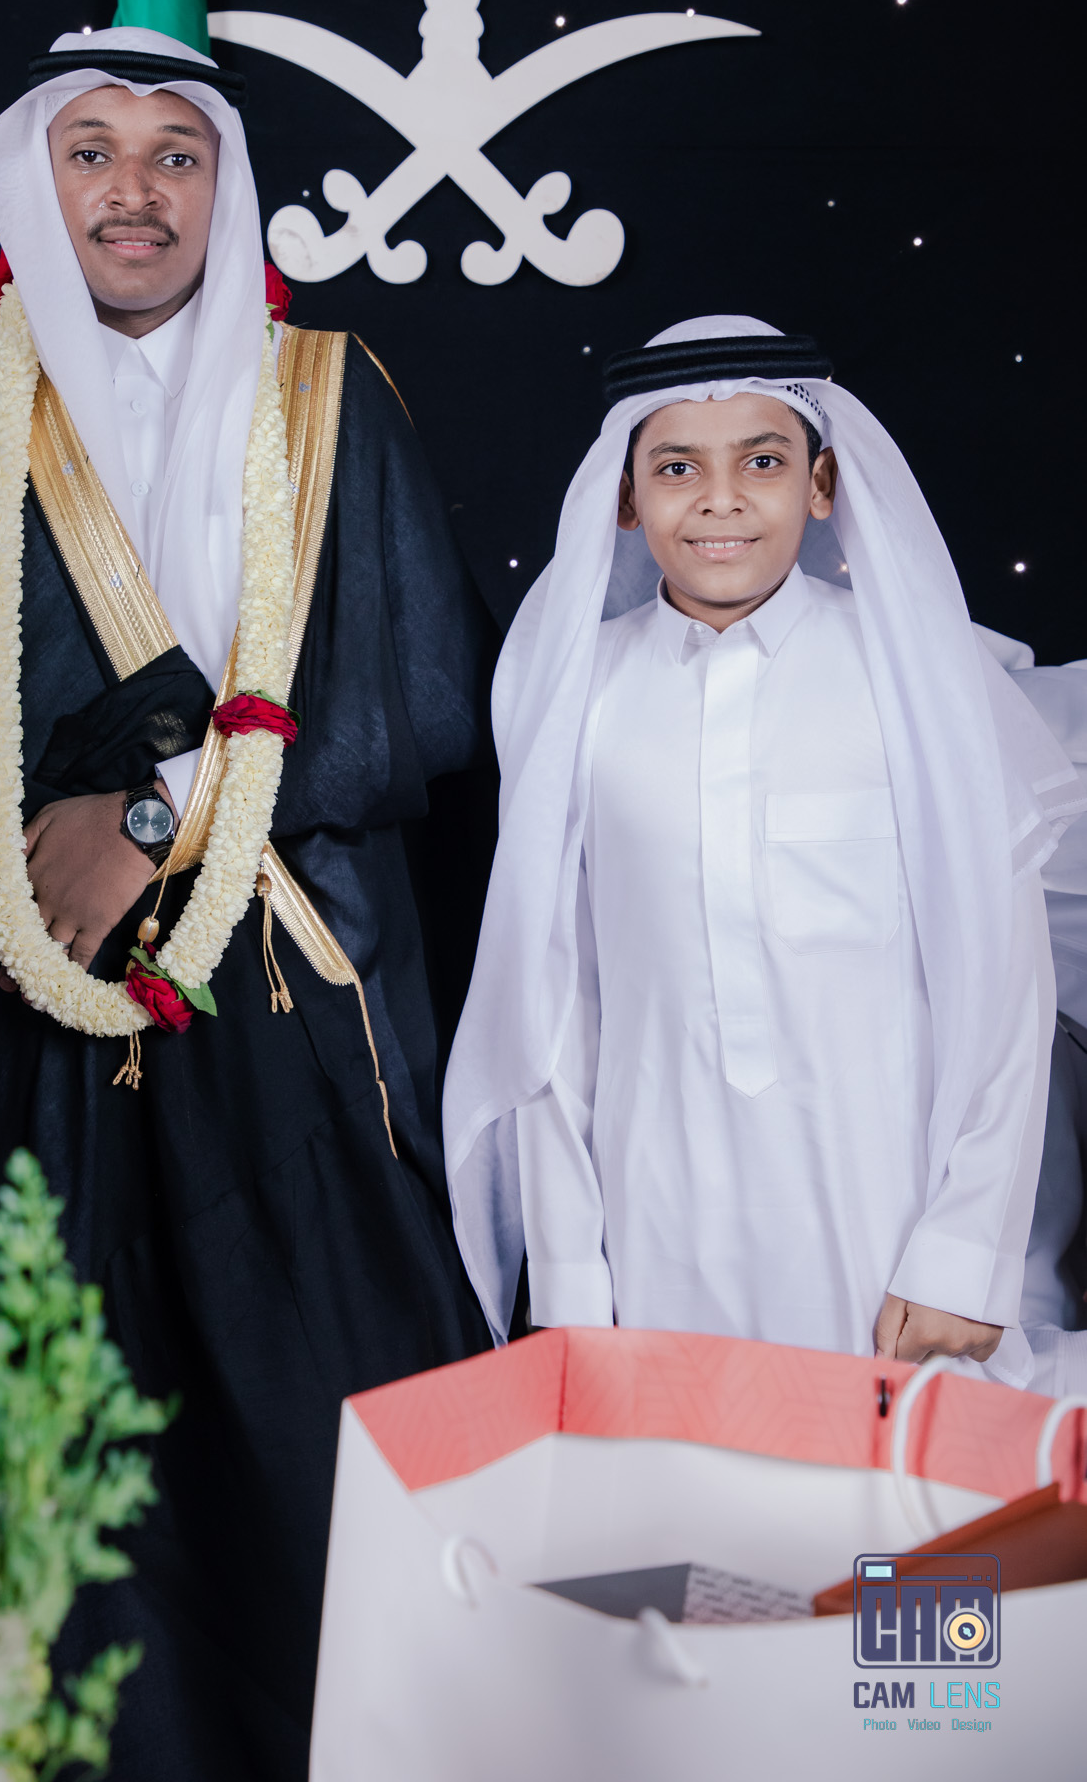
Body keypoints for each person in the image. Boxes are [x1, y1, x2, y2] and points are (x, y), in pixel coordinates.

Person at [0, 26, 494, 1782]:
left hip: (297, 1033)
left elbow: (416, 707)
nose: (135, 191)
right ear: (35, 177)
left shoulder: (329, 396)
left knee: (334, 1486)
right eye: (92, 150)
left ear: (227, 184)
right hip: (9, 1039)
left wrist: (159, 813)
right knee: (47, 1514)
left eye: (178, 153)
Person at [443, 315, 1085, 1389]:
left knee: (904, 1491)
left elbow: (1004, 983)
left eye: (763, 461)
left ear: (821, 484)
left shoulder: (921, 677)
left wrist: (964, 1251)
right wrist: (567, 1275)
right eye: (677, 467)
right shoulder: (574, 691)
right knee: (694, 1486)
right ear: (624, 497)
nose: (720, 499)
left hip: (885, 1214)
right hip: (658, 1215)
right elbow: (554, 1006)